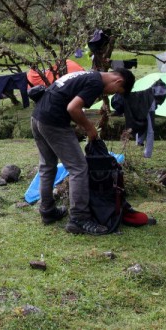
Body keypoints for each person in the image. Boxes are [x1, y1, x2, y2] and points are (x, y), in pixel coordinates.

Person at [31, 68, 135, 235]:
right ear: (118, 82)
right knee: (78, 168)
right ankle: (79, 218)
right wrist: (89, 128)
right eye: (116, 91)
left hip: (38, 117)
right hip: (53, 121)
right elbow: (73, 108)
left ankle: (47, 211)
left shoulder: (88, 74)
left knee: (47, 166)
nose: (109, 94)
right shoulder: (96, 83)